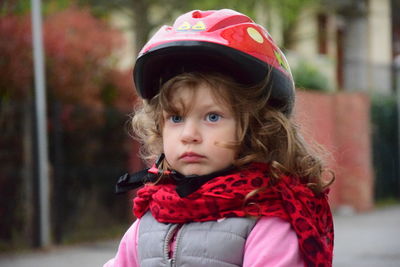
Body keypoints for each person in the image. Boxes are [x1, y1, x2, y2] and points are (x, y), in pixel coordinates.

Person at [105, 8, 334, 267]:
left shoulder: (267, 222)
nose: (189, 135)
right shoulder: (149, 220)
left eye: (212, 117)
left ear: (256, 128)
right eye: (176, 118)